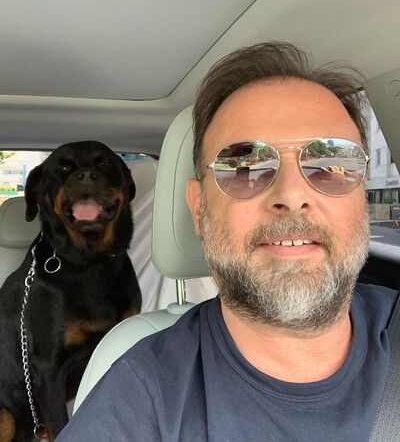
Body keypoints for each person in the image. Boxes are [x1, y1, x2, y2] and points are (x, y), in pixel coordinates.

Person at [56, 42, 399, 441]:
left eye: (330, 163)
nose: (292, 195)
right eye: (244, 166)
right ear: (198, 208)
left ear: (360, 195)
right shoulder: (138, 396)